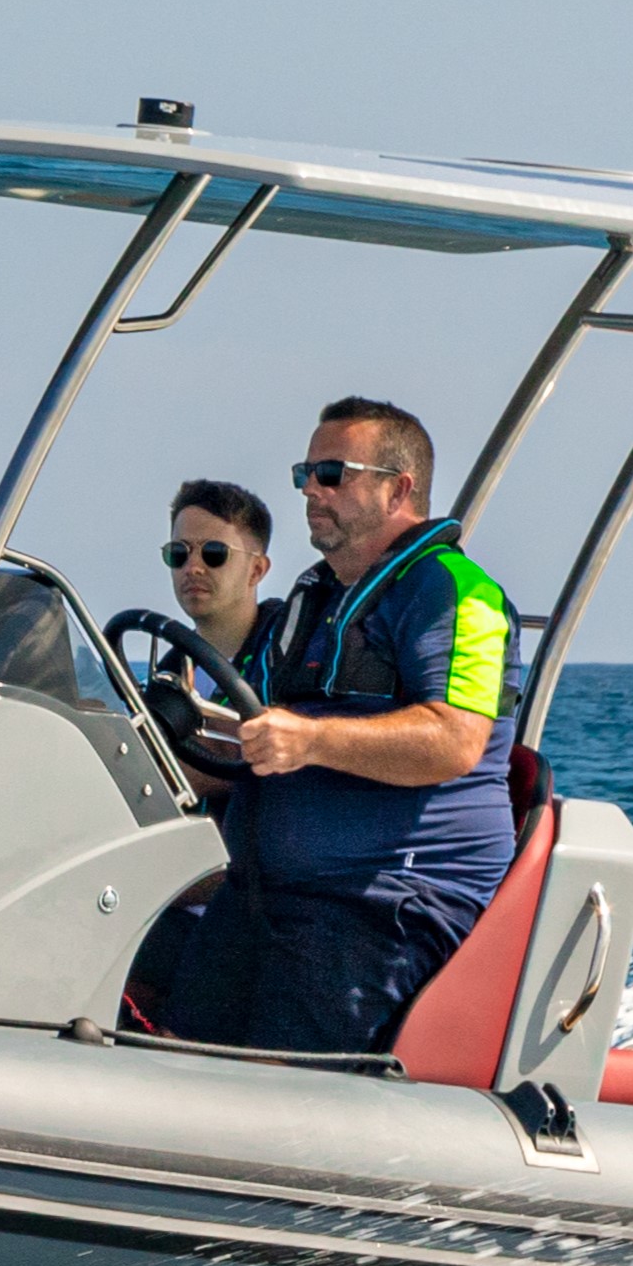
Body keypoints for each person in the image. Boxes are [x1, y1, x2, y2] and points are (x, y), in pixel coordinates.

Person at [186, 397, 518, 1055]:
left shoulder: (458, 594)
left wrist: (310, 740)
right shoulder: (314, 601)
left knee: (263, 1074)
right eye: (305, 473)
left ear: (399, 487)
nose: (311, 489)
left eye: (333, 472)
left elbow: (455, 740)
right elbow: (253, 734)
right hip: (270, 894)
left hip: (386, 904)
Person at [123, 482, 275, 1032]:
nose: (194, 568)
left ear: (257, 570)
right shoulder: (171, 663)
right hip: (176, 869)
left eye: (214, 554)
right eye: (179, 554)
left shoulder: (284, 654)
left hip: (242, 884)